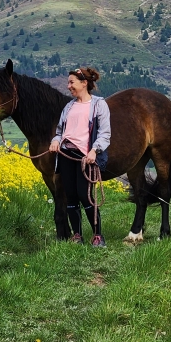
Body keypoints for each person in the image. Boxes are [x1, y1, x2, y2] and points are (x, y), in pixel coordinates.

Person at [49, 66, 111, 247]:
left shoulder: (99, 105)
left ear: (84, 83)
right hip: (66, 155)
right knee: (70, 196)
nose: (68, 86)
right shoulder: (69, 106)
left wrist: (94, 151)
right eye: (68, 83)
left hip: (86, 158)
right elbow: (60, 131)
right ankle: (77, 235)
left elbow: (105, 134)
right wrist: (55, 141)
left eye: (71, 82)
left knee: (86, 196)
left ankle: (98, 236)